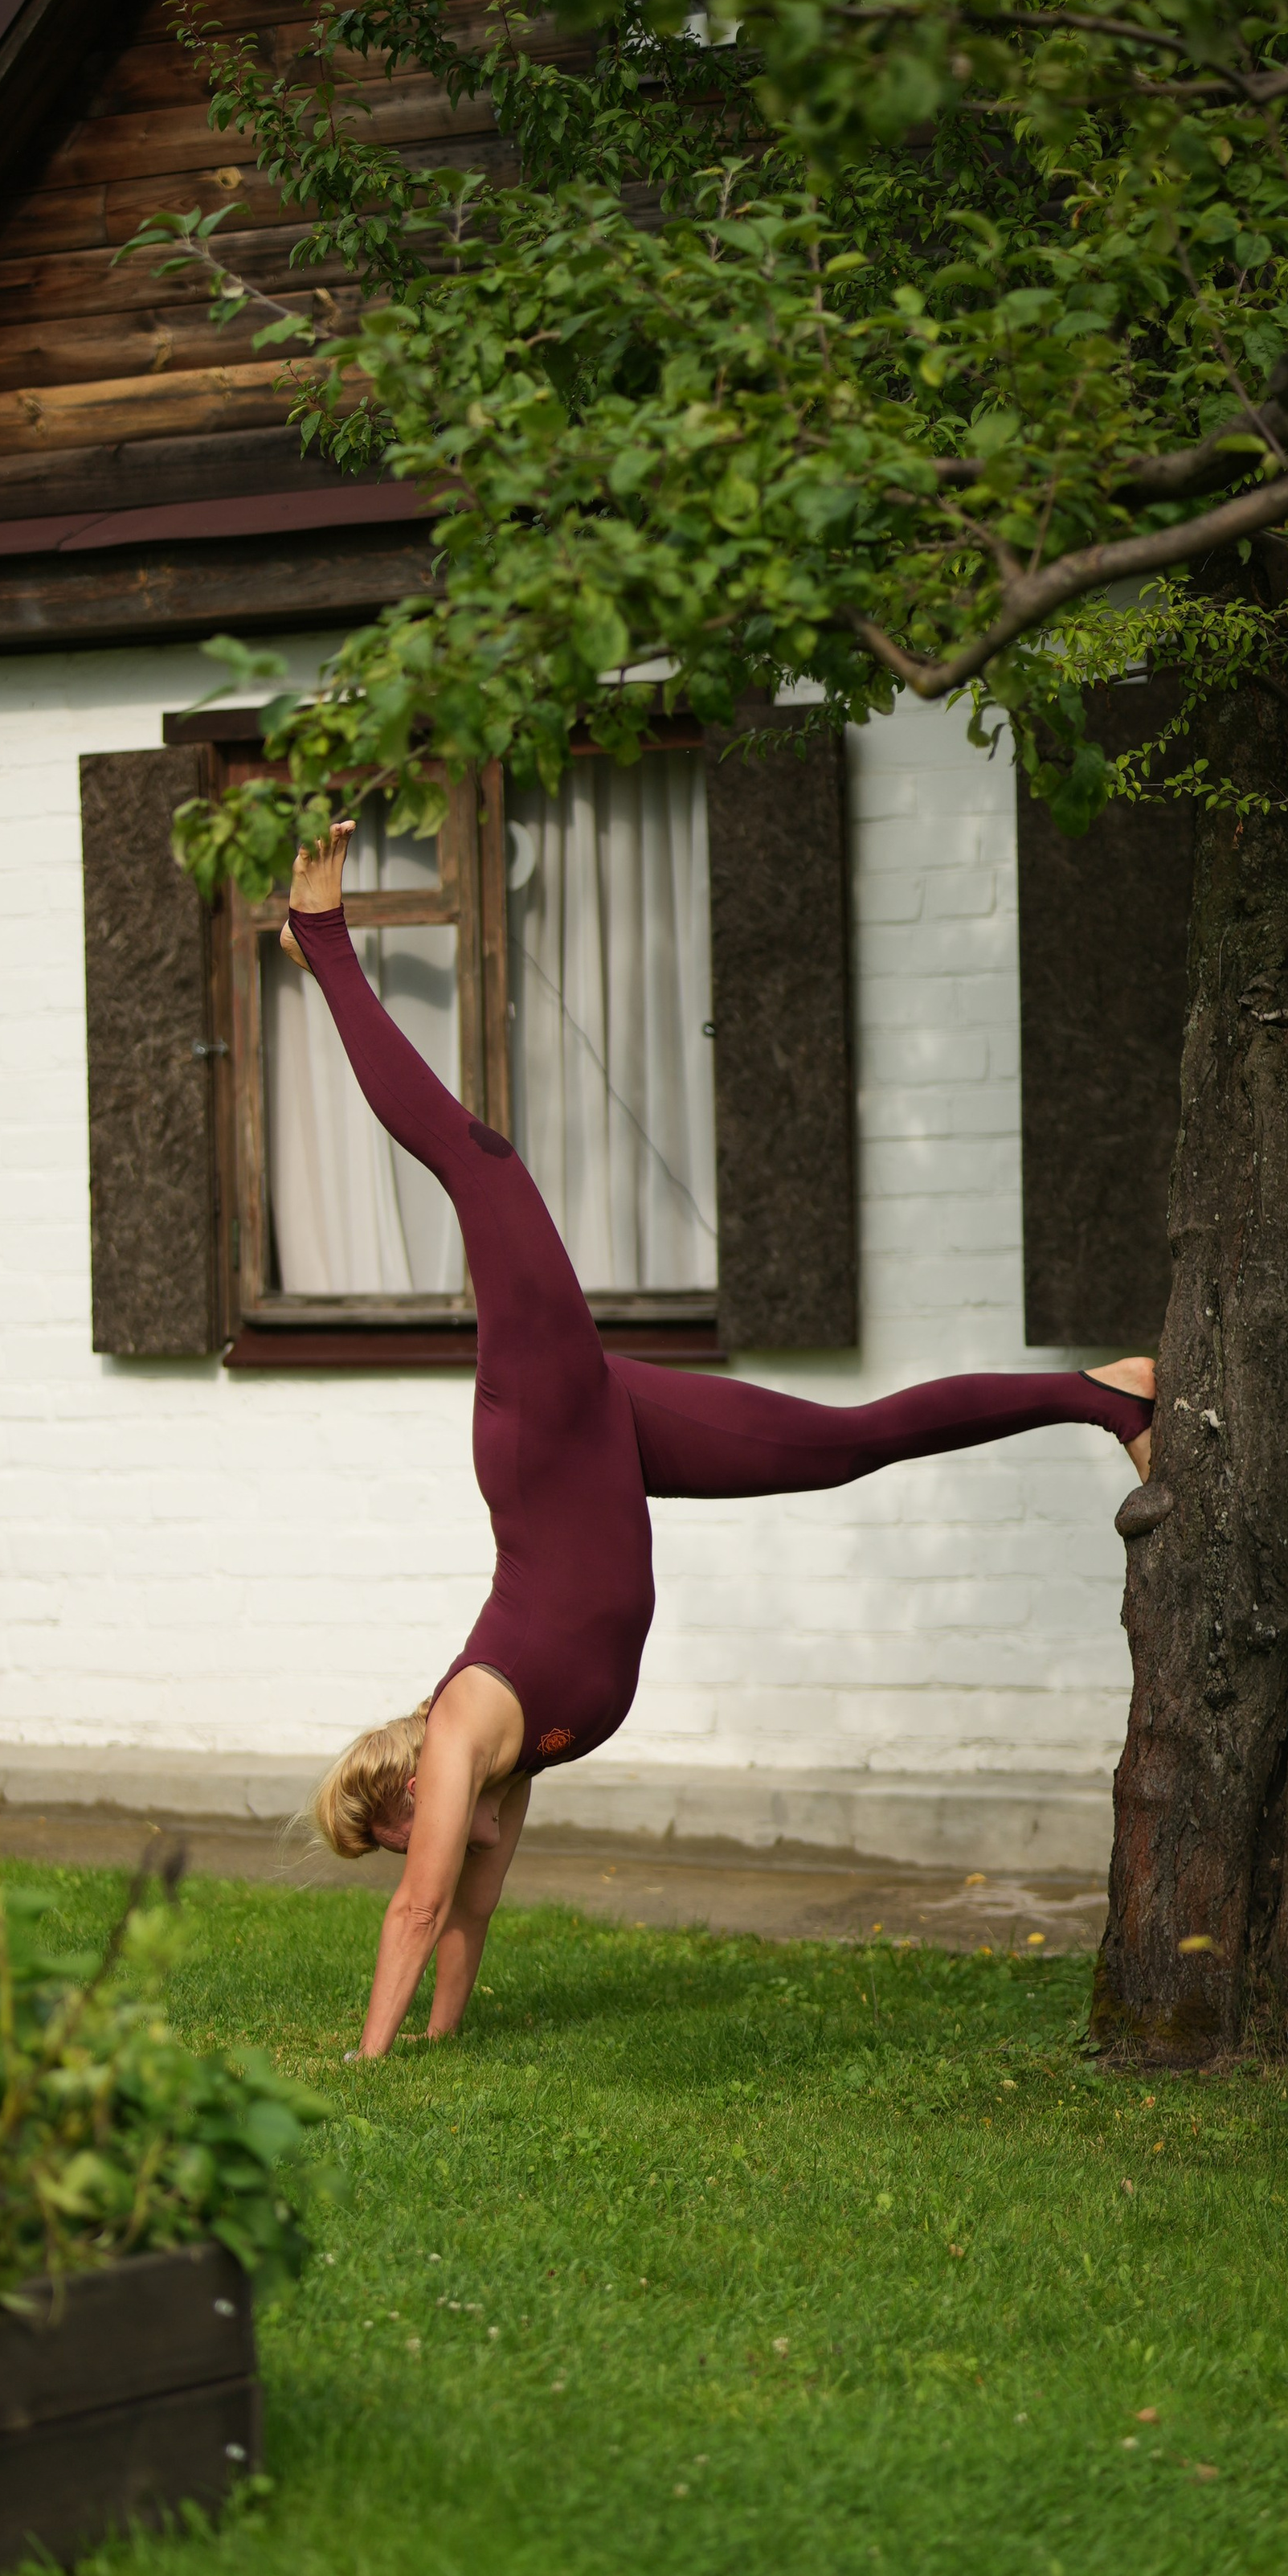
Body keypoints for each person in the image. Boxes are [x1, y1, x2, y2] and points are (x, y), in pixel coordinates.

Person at [283, 823, 1154, 2058]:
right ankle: (1111, 1397)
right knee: (848, 1444)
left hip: (544, 1428)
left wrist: (363, 2069)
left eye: (388, 1838)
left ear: (407, 1796)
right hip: (603, 1444)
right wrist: (430, 2043)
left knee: (484, 1170)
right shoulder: (502, 1778)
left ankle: (321, 941)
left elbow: (423, 1902)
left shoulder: (464, 1726)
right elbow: (463, 1917)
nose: (407, 1862)